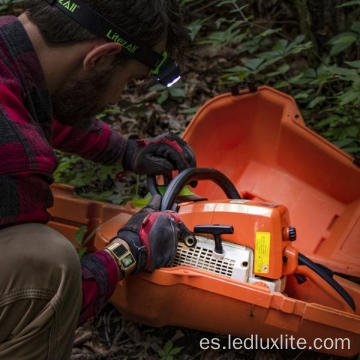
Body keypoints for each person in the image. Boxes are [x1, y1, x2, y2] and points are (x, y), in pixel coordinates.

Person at [0, 0, 196, 359]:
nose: (120, 95)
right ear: (100, 57)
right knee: (45, 266)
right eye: (130, 80)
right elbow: (58, 303)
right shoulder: (14, 154)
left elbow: (33, 101)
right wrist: (126, 254)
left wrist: (126, 151)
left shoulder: (8, 49)